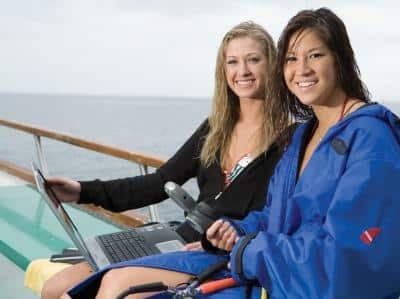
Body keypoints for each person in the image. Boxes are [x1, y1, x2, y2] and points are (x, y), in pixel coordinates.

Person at [65, 8, 400, 299]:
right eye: (292, 59)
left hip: (293, 282)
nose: (302, 69)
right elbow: (277, 214)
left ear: (340, 59)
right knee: (111, 280)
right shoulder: (306, 135)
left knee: (124, 289)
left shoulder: (369, 140)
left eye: (315, 56)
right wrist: (239, 230)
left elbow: (346, 256)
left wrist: (249, 246)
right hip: (269, 264)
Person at [41, 21, 290, 299]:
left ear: (272, 65)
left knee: (116, 290)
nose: (242, 71)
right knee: (54, 288)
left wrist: (234, 241)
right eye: (232, 62)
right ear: (223, 70)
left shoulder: (288, 140)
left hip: (222, 254)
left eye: (253, 60)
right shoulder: (214, 129)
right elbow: (160, 182)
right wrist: (81, 191)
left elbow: (283, 215)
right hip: (181, 237)